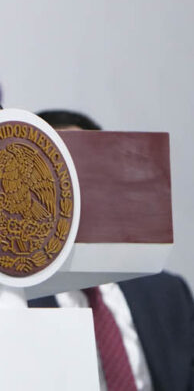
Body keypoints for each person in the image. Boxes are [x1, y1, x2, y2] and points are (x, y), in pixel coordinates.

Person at [30, 109, 194, 391]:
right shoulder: (9, 302)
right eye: (55, 173)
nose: (72, 190)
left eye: (86, 169)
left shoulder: (167, 294)